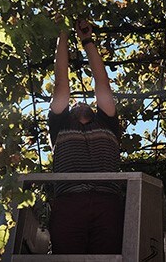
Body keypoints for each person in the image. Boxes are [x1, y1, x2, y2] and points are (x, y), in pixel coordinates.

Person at [47, 19, 123, 254]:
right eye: (76, 103)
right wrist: (63, 36)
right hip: (69, 201)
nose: (80, 103)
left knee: (107, 256)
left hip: (107, 201)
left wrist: (87, 41)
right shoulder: (60, 125)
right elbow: (61, 84)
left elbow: (102, 83)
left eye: (83, 102)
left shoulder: (107, 122)